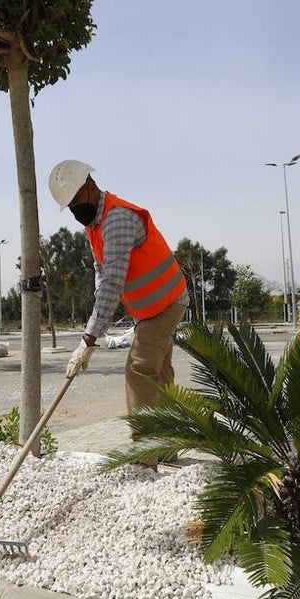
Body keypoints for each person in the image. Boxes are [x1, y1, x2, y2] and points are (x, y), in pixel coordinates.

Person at [48, 160, 189, 464]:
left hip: (165, 304)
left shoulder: (117, 220)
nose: (74, 208)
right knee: (160, 374)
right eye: (68, 204)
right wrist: (97, 324)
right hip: (151, 308)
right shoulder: (94, 226)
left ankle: (144, 453)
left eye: (75, 198)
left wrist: (88, 339)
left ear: (90, 185)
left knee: (139, 369)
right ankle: (168, 445)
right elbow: (102, 273)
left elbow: (114, 280)